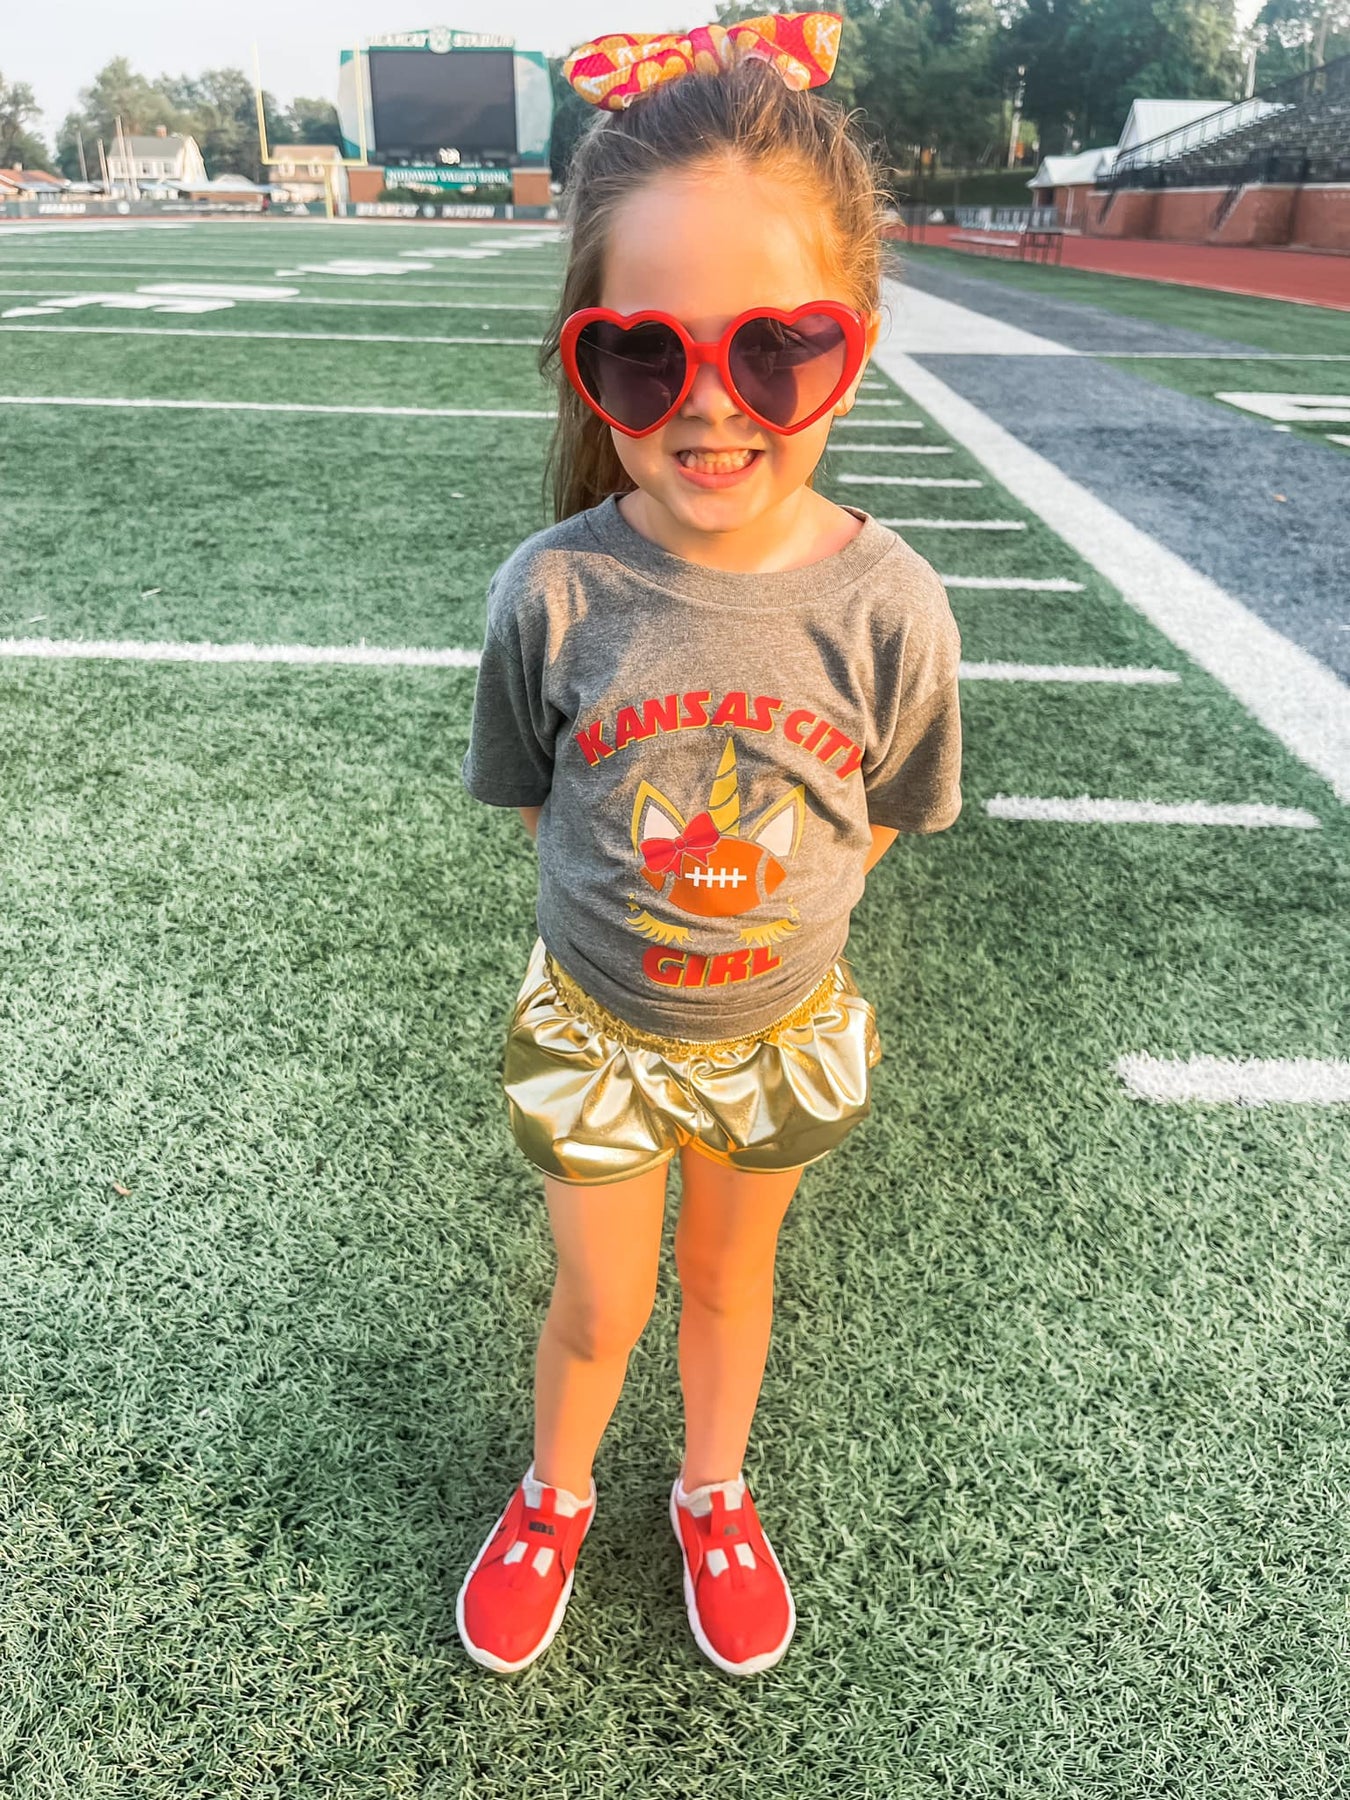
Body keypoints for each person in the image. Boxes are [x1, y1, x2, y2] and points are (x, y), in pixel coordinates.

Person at [456, 9, 962, 1679]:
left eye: (773, 350)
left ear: (851, 346)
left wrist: (755, 918)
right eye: (643, 359)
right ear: (586, 362)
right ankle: (555, 1491)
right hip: (595, 1035)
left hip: (777, 1036)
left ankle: (713, 1490)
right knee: (601, 1305)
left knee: (735, 1292)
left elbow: (881, 816)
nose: (709, 408)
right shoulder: (551, 590)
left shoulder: (890, 606)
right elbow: (536, 798)